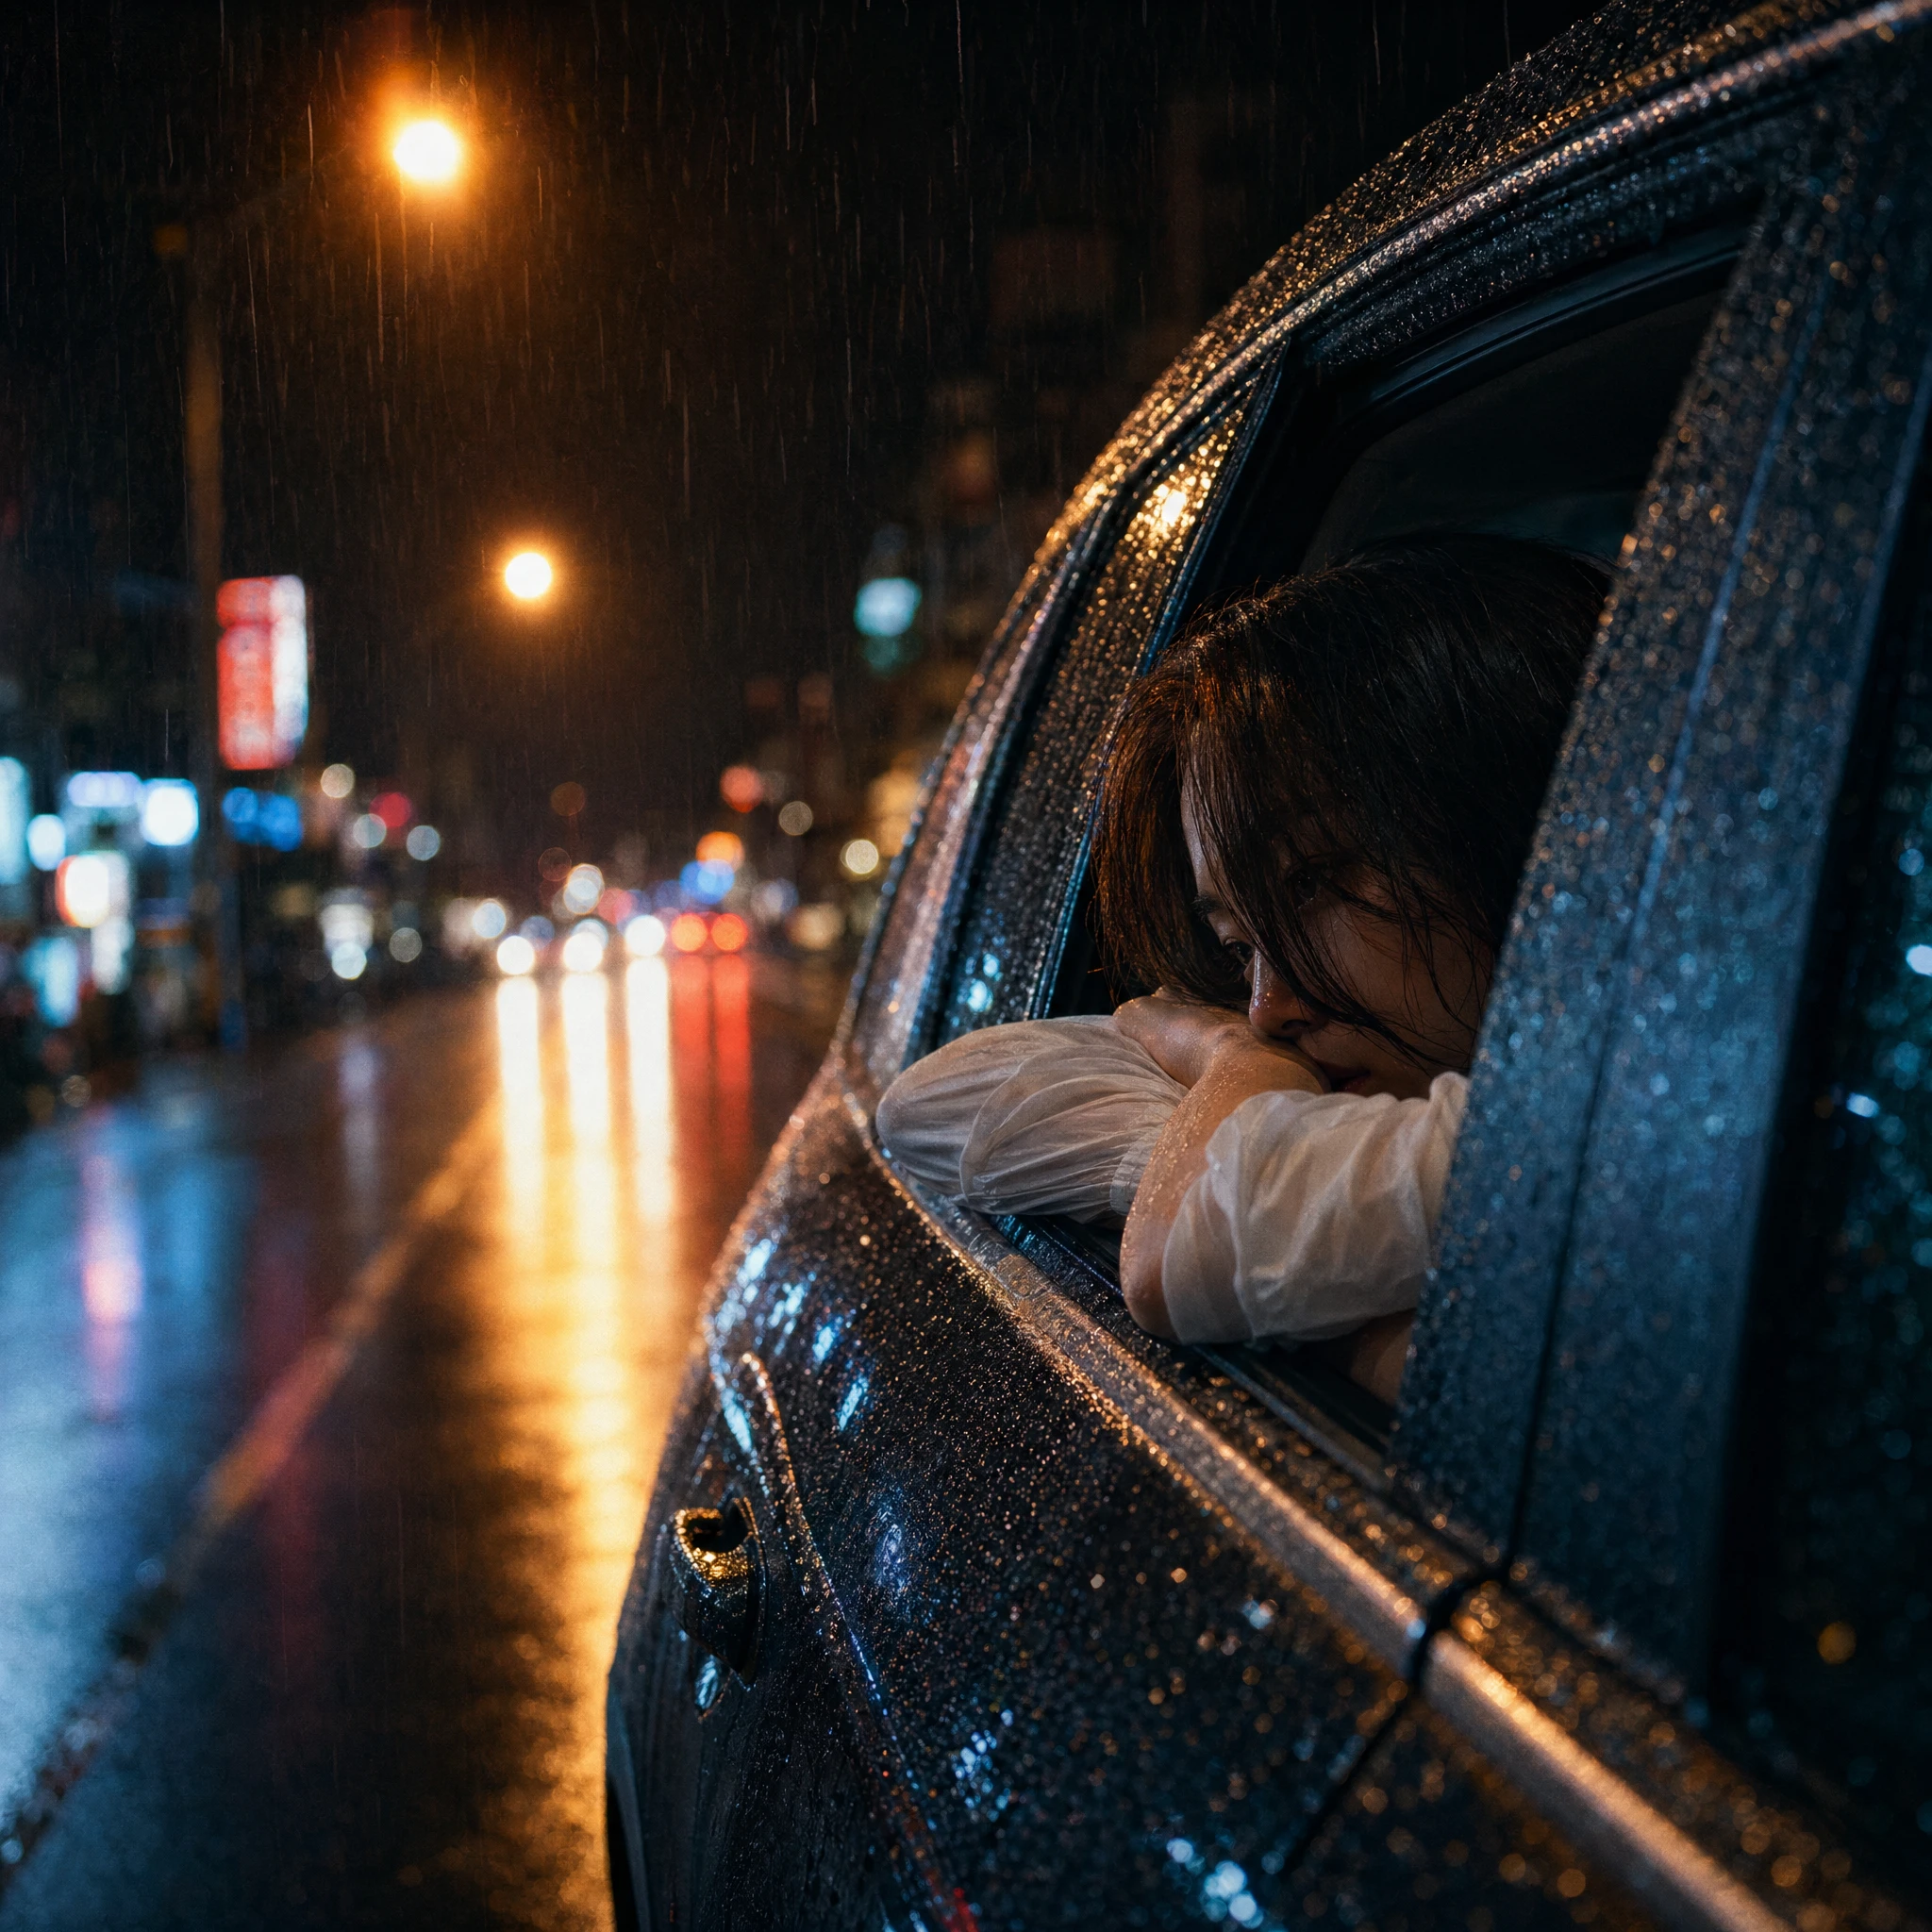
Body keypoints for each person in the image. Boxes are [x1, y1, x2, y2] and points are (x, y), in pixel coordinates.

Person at [877, 537, 1607, 1401]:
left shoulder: (1613, 1126)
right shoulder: (1501, 1157)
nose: (1269, 1008)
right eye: (1238, 948)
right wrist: (1240, 1078)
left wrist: (1233, 1152)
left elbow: (1179, 1241)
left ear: (1527, 829)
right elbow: (927, 1106)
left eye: (1316, 883)